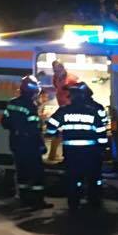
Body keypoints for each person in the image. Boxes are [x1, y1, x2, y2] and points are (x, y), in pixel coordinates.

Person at [45, 81, 109, 212]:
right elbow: (101, 132)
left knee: (73, 178)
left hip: (71, 152)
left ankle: (73, 203)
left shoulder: (64, 111)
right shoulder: (92, 111)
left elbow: (50, 126)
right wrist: (102, 149)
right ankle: (94, 201)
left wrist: (54, 133)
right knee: (93, 177)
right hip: (90, 152)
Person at [0, 75, 51, 209]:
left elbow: (4, 123)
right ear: (33, 91)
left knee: (22, 172)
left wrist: (16, 129)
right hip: (30, 145)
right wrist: (41, 145)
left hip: (16, 143)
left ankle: (24, 199)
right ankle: (38, 201)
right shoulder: (31, 106)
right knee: (37, 173)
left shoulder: (12, 103)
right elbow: (34, 129)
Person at [46, 60, 77, 163]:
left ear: (63, 68)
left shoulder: (71, 79)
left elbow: (76, 93)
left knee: (64, 132)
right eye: (55, 70)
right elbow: (57, 89)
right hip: (62, 107)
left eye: (58, 69)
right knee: (59, 132)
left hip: (70, 108)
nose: (56, 72)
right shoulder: (55, 78)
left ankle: (60, 156)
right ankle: (53, 155)